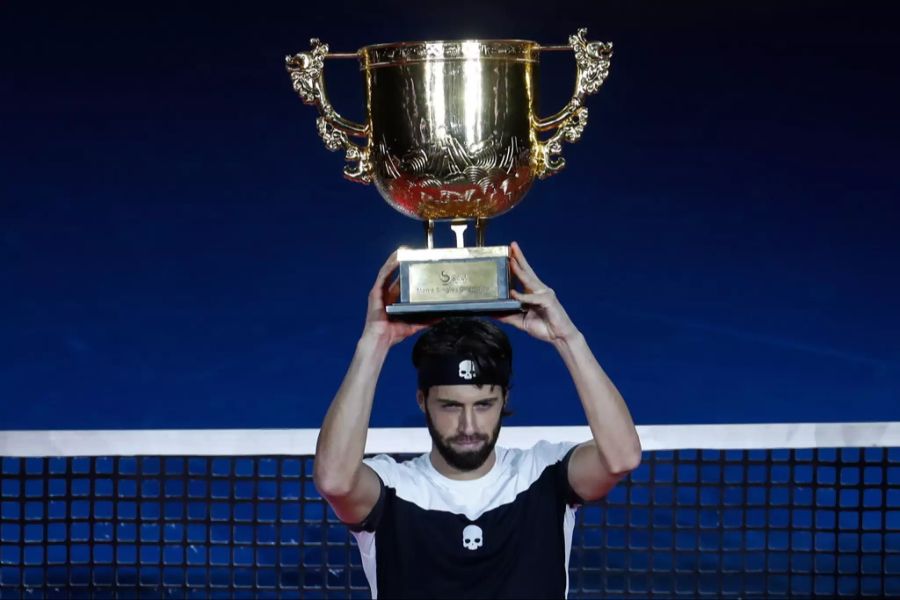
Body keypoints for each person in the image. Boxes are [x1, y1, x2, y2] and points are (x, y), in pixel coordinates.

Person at [314, 242, 642, 599]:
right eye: (451, 406)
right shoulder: (393, 490)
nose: (468, 426)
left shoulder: (543, 474)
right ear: (422, 401)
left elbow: (621, 457)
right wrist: (373, 343)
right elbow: (335, 481)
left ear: (505, 400)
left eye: (484, 404)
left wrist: (567, 338)